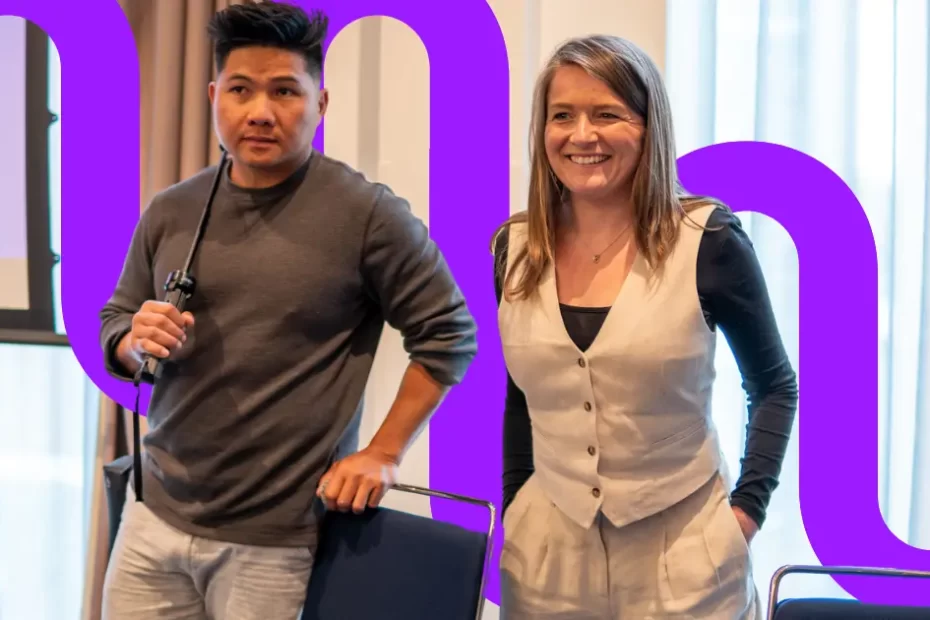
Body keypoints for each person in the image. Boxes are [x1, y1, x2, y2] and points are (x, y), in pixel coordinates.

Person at [97, 2, 477, 618]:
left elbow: (450, 336)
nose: (261, 112)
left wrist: (382, 452)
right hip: (152, 520)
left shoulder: (367, 215)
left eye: (285, 91)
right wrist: (134, 341)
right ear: (214, 95)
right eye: (242, 91)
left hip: (275, 544)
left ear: (320, 104)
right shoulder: (172, 208)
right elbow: (115, 321)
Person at [493, 35, 798, 619]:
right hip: (546, 559)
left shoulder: (709, 241)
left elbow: (774, 386)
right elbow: (519, 396)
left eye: (607, 114)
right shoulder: (515, 247)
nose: (583, 135)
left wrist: (745, 514)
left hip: (685, 557)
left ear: (648, 124)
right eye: (563, 116)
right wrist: (514, 501)